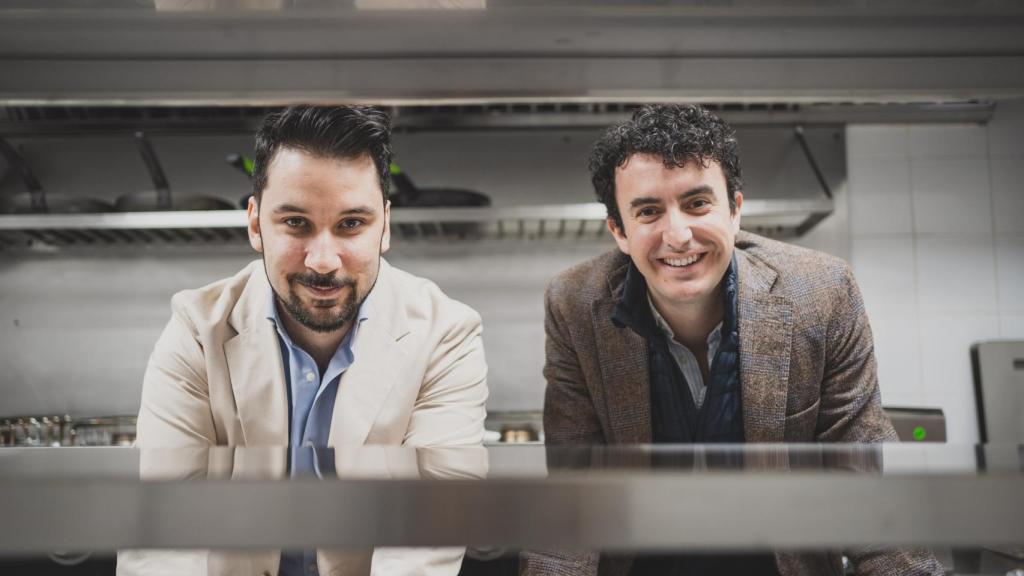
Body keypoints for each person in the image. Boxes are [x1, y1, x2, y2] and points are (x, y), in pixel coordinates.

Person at [523, 104, 942, 575]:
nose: (678, 235)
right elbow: (571, 497)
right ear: (619, 231)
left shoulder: (823, 293)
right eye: (648, 211)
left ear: (735, 210)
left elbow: (869, 495)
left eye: (698, 203)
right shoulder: (576, 304)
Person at [119, 105, 488, 576]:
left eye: (351, 224)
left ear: (385, 226)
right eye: (295, 223)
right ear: (255, 224)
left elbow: (434, 524)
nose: (323, 260)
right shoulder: (197, 328)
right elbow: (164, 529)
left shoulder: (445, 332)